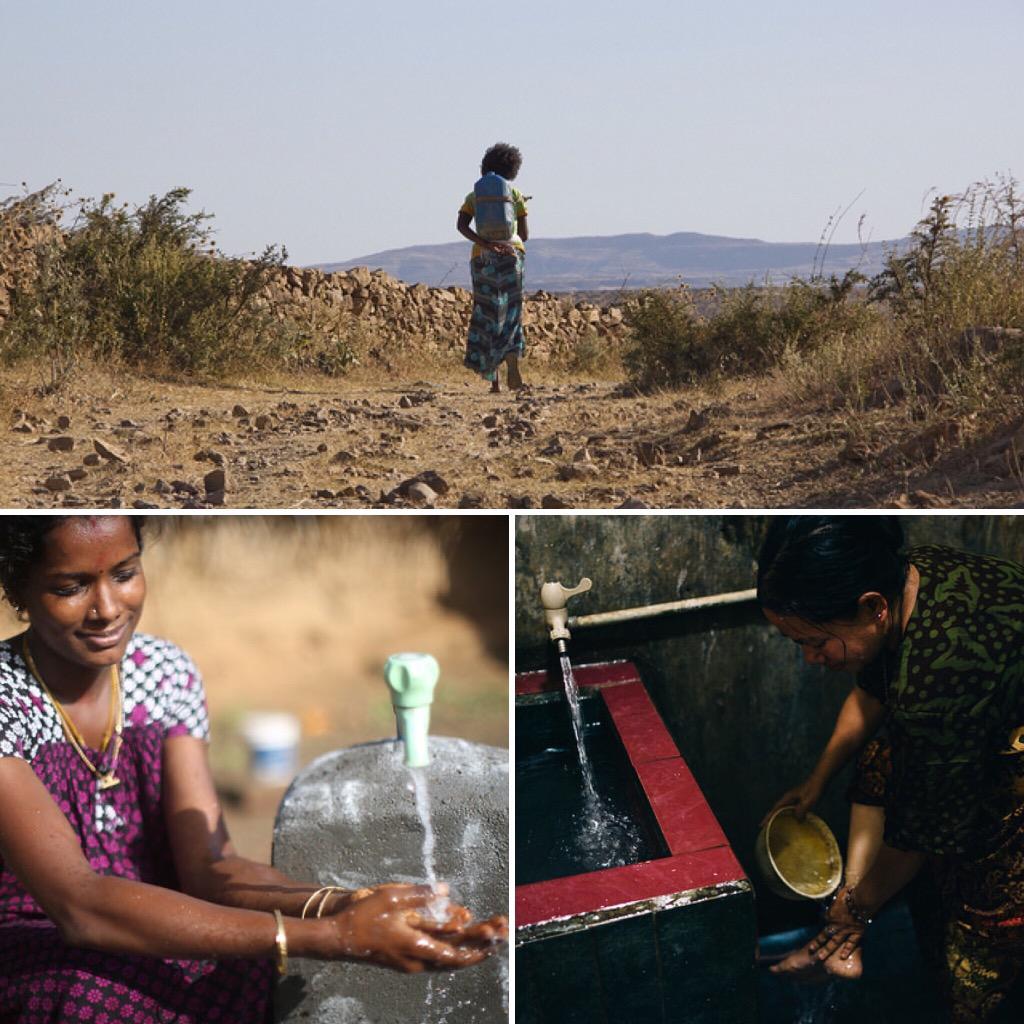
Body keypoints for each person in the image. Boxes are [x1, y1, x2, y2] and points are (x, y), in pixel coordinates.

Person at [0, 516, 507, 1023]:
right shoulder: (7, 698)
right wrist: (333, 937)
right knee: (87, 997)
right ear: (18, 588)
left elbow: (210, 867)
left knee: (260, 970)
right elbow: (80, 906)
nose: (108, 608)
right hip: (39, 937)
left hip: (171, 921)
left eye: (125, 574)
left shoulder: (163, 672)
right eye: (71, 587)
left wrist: (345, 904)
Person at [757, 516, 1024, 1023]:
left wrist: (854, 912)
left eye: (816, 641)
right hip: (989, 721)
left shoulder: (936, 687)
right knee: (882, 758)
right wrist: (816, 781)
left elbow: (919, 834)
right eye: (797, 644)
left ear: (872, 607)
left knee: (980, 935)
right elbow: (870, 695)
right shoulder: (909, 574)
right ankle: (845, 944)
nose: (811, 658)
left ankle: (858, 944)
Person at [457, 142, 529, 393]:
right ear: (512, 168)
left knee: (488, 313)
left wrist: (486, 243)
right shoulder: (515, 195)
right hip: (513, 256)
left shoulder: (474, 196)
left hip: (482, 258)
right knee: (511, 313)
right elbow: (525, 234)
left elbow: (461, 225)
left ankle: (494, 381)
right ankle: (512, 360)